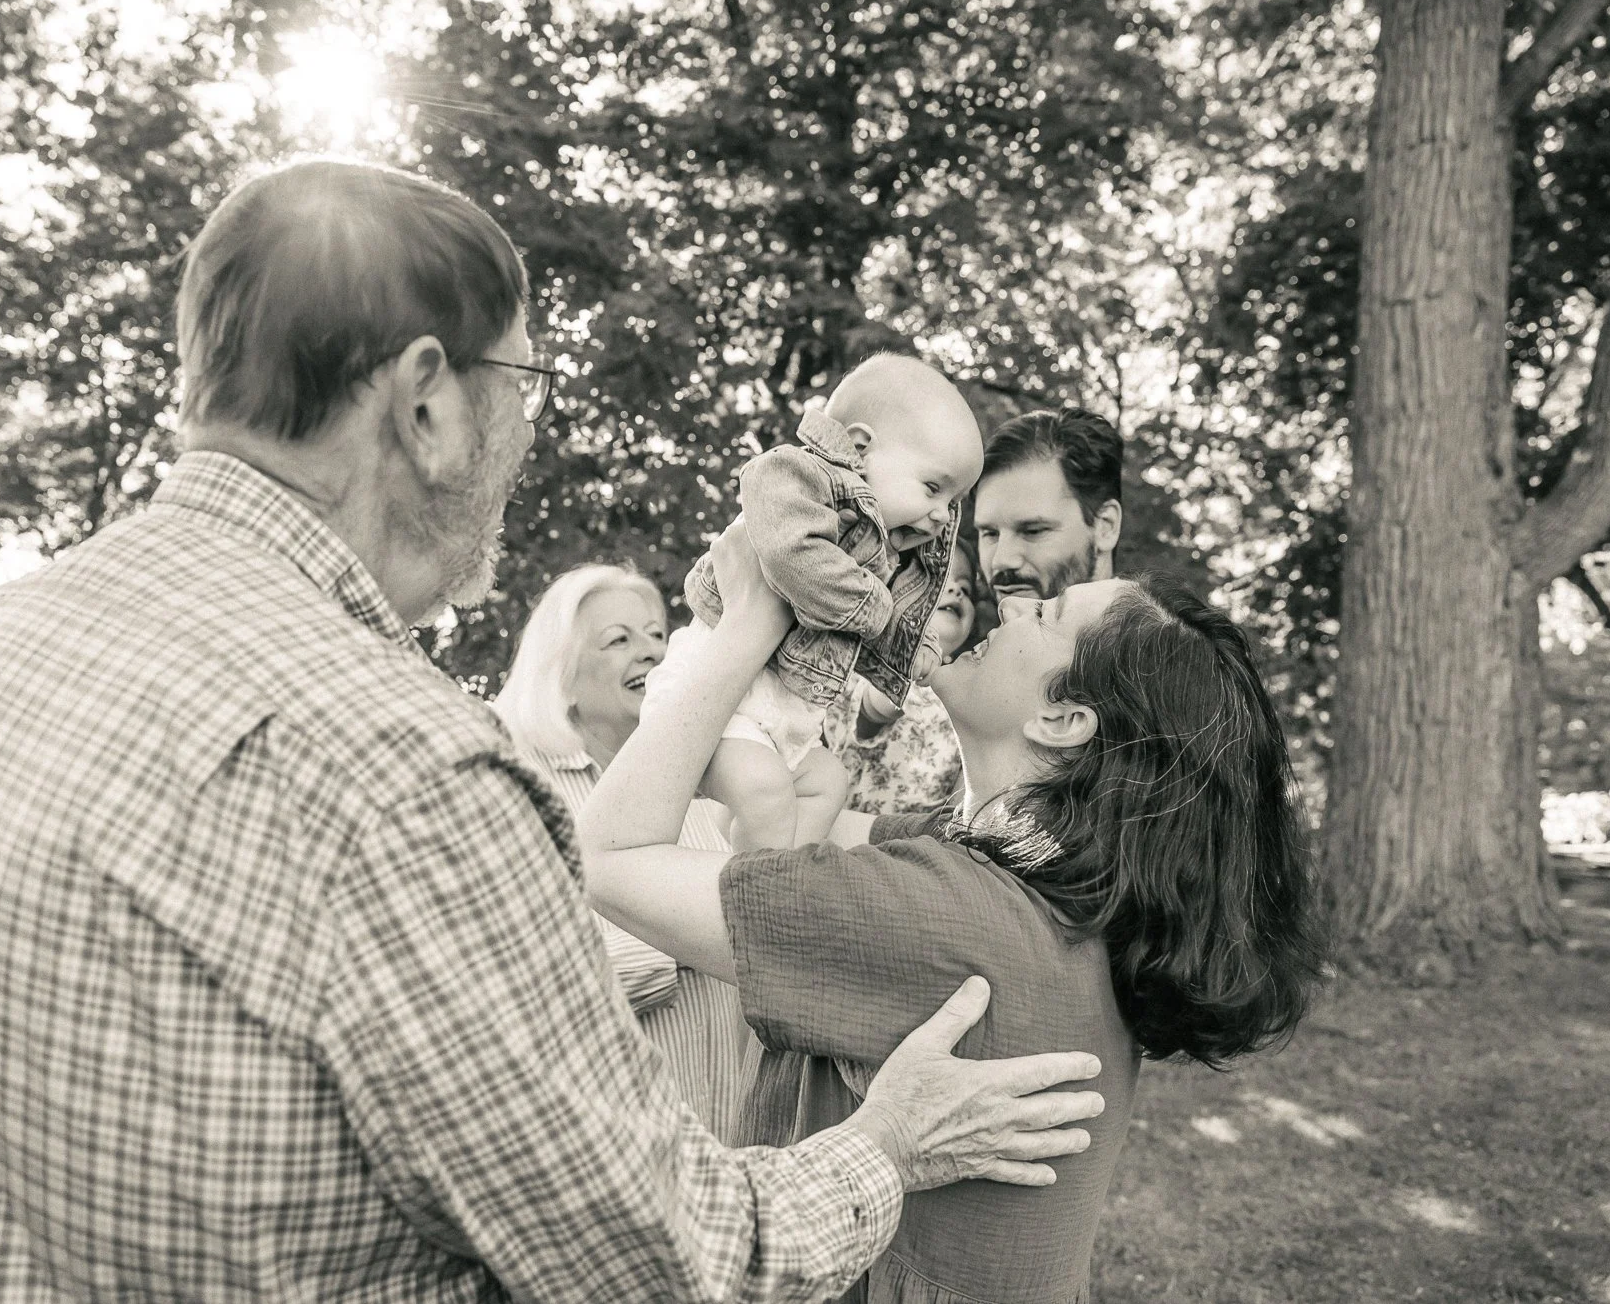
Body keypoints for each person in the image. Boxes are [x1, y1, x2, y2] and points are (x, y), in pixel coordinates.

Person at [0, 158, 1109, 1303]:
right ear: (428, 402)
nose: (528, 429)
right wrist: (888, 1146)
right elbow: (662, 1258)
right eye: (526, 385)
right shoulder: (406, 769)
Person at [580, 529, 1327, 1304]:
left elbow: (610, 858)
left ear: (1064, 718)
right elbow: (809, 823)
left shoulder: (951, 913)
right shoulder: (1039, 884)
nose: (1012, 602)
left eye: (1049, 614)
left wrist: (742, 624)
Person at [647, 354, 982, 851]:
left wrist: (912, 651)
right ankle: (750, 893)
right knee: (766, 793)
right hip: (717, 696)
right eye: (934, 487)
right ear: (860, 447)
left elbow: (859, 635)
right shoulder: (796, 476)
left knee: (827, 786)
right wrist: (887, 619)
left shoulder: (882, 555)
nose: (940, 516)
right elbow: (793, 555)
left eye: (953, 504)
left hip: (781, 717)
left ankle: (751, 869)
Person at [491, 562, 762, 1142]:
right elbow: (525, 981)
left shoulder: (699, 784)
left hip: (733, 1135)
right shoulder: (521, 791)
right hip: (608, 1150)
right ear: (559, 672)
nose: (652, 653)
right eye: (620, 639)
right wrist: (694, 931)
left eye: (658, 634)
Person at [820, 539, 981, 813]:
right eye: (938, 582)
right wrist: (905, 658)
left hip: (922, 834)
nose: (956, 591)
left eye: (966, 588)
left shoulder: (969, 684)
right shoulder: (875, 665)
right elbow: (874, 708)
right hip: (861, 824)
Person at [973, 407, 1123, 603]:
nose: (1000, 561)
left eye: (1033, 531)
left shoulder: (1165, 632)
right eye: (990, 534)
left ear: (1105, 526)